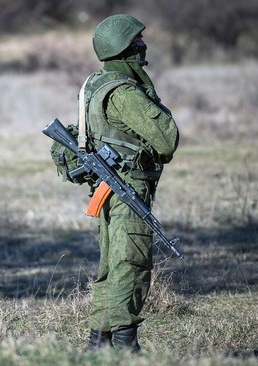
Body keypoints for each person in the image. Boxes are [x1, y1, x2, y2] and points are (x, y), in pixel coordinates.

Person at [83, 14, 179, 352]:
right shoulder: (124, 92)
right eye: (137, 41)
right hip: (127, 189)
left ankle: (99, 344)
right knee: (131, 263)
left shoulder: (95, 84)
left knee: (110, 267)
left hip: (109, 187)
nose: (144, 45)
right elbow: (167, 139)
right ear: (124, 49)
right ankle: (125, 346)